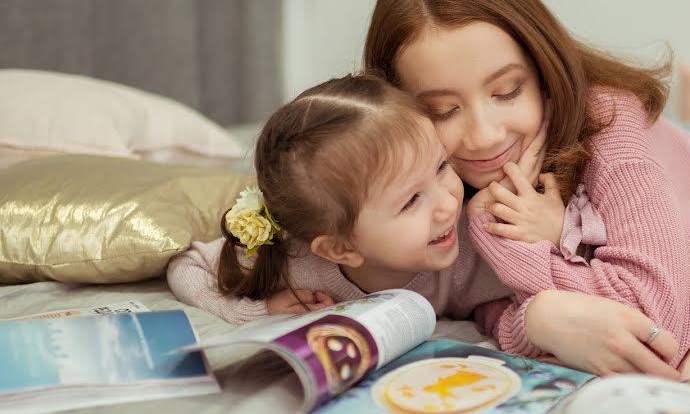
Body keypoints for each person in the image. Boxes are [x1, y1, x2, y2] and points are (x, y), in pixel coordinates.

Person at [363, 0, 690, 374]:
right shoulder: (429, 169)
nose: (484, 136)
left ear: (543, 74)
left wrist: (513, 257)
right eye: (443, 110)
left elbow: (651, 331)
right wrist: (535, 317)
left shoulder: (612, 126)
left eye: (507, 91)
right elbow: (487, 302)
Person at [167, 73, 518, 328]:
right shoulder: (295, 265)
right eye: (411, 201)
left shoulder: (476, 246)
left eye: (442, 167)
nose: (448, 204)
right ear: (339, 249)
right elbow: (188, 266)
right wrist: (250, 313)